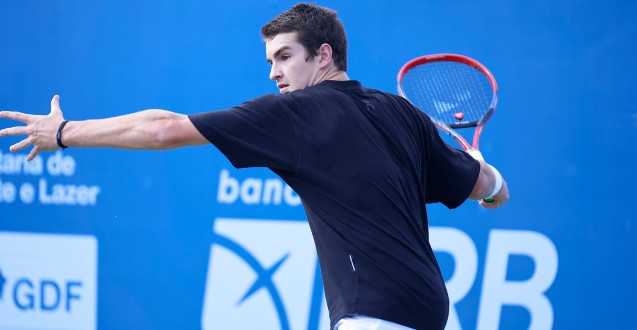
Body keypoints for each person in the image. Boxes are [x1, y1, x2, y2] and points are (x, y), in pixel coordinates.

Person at [0, 3, 509, 330]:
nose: (275, 73)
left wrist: (64, 134)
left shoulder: (297, 112)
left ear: (323, 55)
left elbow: (162, 129)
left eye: (285, 57)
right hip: (428, 312)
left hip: (373, 316)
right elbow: (489, 189)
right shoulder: (401, 113)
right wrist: (482, 173)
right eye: (270, 61)